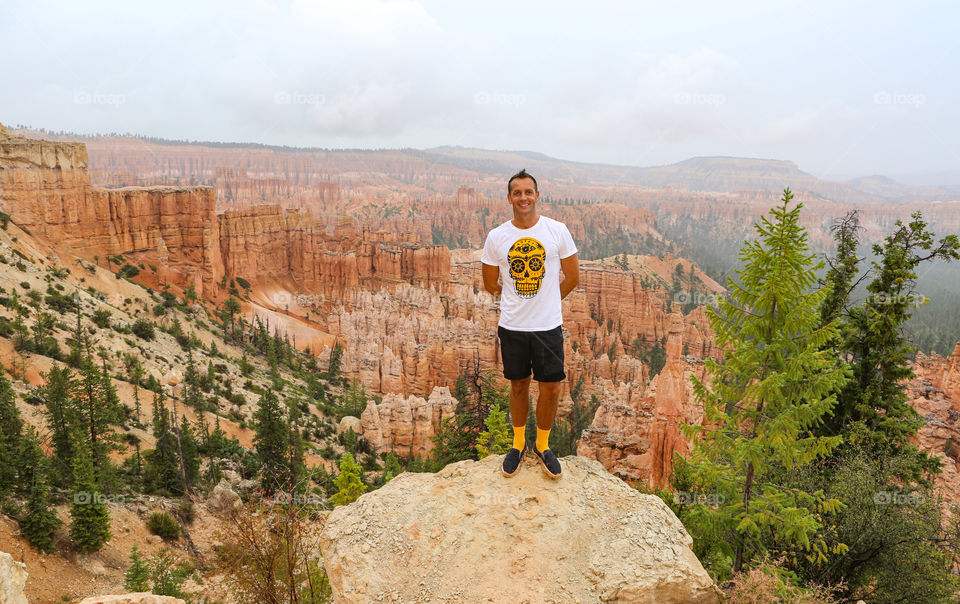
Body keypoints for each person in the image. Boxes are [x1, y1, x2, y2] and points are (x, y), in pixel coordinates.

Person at [481, 169, 579, 478]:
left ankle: (543, 446)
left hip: (548, 327)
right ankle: (518, 444)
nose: (523, 197)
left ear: (537, 195)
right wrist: (517, 298)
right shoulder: (497, 237)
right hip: (513, 327)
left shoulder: (556, 230)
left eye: (528, 192)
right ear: (509, 198)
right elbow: (489, 283)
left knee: (550, 389)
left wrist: (547, 299)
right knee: (519, 385)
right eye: (517, 192)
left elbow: (573, 277)